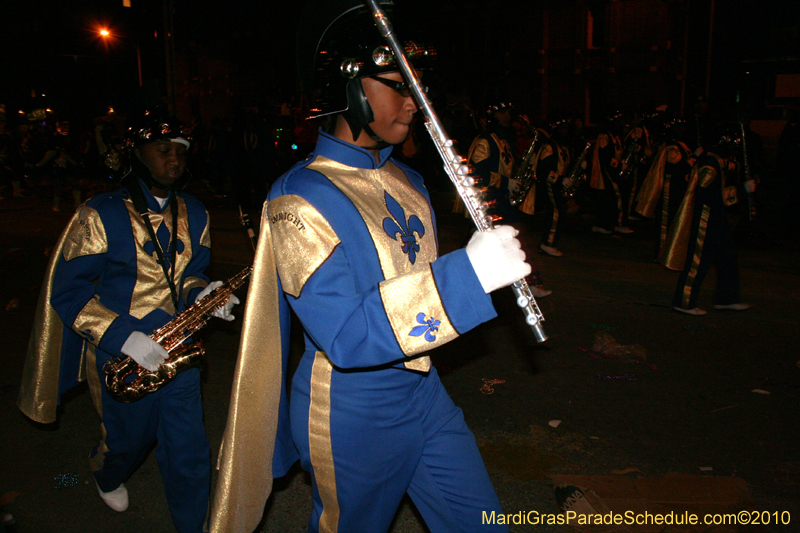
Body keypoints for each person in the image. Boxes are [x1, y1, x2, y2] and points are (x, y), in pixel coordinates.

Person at [210, 5, 530, 533]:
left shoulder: (408, 178)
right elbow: (345, 336)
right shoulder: (298, 198)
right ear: (349, 86)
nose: (414, 103)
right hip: (351, 410)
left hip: (424, 390)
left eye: (419, 87)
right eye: (397, 85)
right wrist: (467, 276)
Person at [17, 110, 239, 533]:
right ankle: (106, 472)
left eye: (180, 152)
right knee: (127, 441)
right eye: (162, 151)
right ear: (136, 154)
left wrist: (206, 295)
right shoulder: (97, 214)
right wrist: (123, 337)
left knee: (189, 448)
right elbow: (69, 293)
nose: (174, 160)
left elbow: (190, 275)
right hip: (119, 355)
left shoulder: (195, 211)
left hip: (178, 350)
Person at [660, 129, 756, 315]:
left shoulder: (715, 161)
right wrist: (741, 190)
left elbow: (727, 169)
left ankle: (726, 299)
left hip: (717, 219)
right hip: (706, 220)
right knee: (698, 262)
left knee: (727, 258)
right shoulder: (709, 164)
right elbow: (709, 196)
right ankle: (683, 301)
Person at [469, 100, 552, 297]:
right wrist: (506, 182)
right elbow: (475, 172)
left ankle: (529, 283)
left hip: (502, 200)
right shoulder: (485, 140)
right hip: (488, 200)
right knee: (495, 242)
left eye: (508, 112)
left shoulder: (504, 139)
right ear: (493, 116)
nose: (507, 116)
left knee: (512, 239)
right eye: (501, 112)